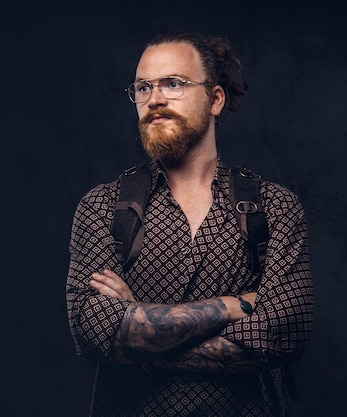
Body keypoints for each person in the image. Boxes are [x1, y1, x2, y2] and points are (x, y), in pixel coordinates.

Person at [66, 31, 314, 417]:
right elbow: (97, 333)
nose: (155, 99)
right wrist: (232, 307)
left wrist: (142, 333)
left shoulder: (274, 205)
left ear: (215, 99)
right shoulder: (102, 206)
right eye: (143, 87)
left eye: (173, 84)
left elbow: (283, 333)